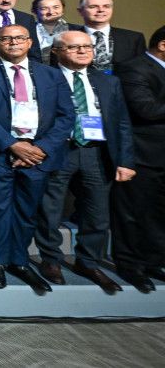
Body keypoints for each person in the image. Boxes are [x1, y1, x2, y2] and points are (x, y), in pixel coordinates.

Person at [0, 24, 74, 294]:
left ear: (29, 43)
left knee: (27, 212)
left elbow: (66, 116)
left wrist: (39, 148)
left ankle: (19, 261)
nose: (13, 42)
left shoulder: (52, 75)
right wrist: (13, 145)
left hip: (38, 155)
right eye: (6, 39)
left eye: (19, 38)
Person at [35, 31, 135, 294]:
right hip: (58, 150)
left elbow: (122, 123)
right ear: (56, 51)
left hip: (97, 152)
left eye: (87, 46)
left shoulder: (108, 82)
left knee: (97, 213)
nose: (82, 51)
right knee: (49, 210)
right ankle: (51, 259)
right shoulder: (44, 77)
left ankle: (88, 262)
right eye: (74, 47)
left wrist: (125, 160)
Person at [112, 25, 165, 293]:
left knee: (158, 212)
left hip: (161, 155)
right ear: (163, 45)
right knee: (132, 213)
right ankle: (130, 265)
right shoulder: (134, 68)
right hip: (141, 154)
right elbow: (147, 109)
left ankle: (153, 261)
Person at [77, 0, 146, 73]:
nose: (101, 10)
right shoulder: (69, 38)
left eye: (106, 6)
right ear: (80, 11)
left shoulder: (134, 38)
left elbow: (142, 69)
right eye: (93, 7)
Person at [31, 0, 72, 64]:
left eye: (56, 7)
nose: (51, 12)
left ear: (63, 9)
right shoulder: (27, 29)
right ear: (35, 11)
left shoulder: (77, 30)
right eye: (44, 8)